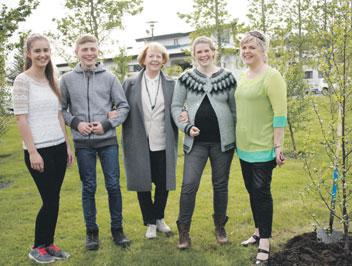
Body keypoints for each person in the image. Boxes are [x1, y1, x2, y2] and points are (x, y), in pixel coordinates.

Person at [60, 34, 131, 250]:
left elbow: (123, 106)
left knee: (113, 185)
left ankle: (117, 229)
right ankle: (91, 232)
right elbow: (61, 109)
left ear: (97, 51)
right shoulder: (67, 80)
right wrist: (75, 123)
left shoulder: (109, 78)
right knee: (88, 187)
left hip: (107, 141)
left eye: (92, 49)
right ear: (77, 52)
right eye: (85, 50)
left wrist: (107, 125)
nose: (89, 53)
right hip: (83, 144)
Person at [12, 33, 73, 263]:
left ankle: (49, 243)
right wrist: (33, 151)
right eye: (37, 51)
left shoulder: (52, 79)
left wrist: (67, 146)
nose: (42, 55)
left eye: (46, 50)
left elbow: (58, 116)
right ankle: (37, 246)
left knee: (54, 198)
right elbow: (21, 119)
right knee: (49, 199)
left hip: (58, 148)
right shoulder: (22, 81)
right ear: (29, 53)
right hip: (38, 151)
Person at [171, 36, 237, 249]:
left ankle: (220, 226)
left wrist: (235, 137)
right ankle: (184, 231)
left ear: (213, 51)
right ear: (194, 54)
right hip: (195, 142)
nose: (203, 55)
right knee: (189, 185)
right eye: (199, 52)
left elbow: (235, 111)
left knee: (220, 185)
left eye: (206, 51)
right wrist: (187, 127)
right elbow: (175, 107)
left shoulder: (228, 78)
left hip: (222, 144)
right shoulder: (186, 78)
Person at [235, 31, 287, 265]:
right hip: (244, 147)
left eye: (251, 47)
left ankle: (265, 243)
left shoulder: (272, 76)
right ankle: (257, 231)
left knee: (262, 193)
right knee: (252, 191)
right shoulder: (242, 76)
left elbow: (280, 114)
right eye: (244, 47)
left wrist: (278, 145)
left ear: (262, 50)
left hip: (264, 147)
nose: (246, 51)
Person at [119, 42, 178, 239]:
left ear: (163, 61)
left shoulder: (171, 84)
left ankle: (159, 218)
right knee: (142, 182)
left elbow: (178, 108)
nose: (154, 59)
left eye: (158, 56)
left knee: (163, 182)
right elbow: (120, 107)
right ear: (143, 59)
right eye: (150, 55)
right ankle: (150, 222)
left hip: (163, 140)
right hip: (138, 141)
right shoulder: (129, 83)